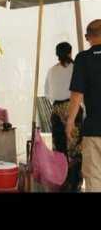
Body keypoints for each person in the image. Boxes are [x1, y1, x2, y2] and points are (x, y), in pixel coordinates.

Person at [66, 19, 101, 192]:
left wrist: (70, 121)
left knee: (94, 179)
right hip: (93, 130)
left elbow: (77, 95)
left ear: (88, 37)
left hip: (94, 130)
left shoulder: (83, 58)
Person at [44, 42, 83, 192]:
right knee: (75, 149)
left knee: (59, 150)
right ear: (70, 52)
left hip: (56, 110)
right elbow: (81, 92)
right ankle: (74, 185)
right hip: (72, 108)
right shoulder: (76, 68)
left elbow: (47, 92)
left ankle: (61, 184)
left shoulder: (51, 70)